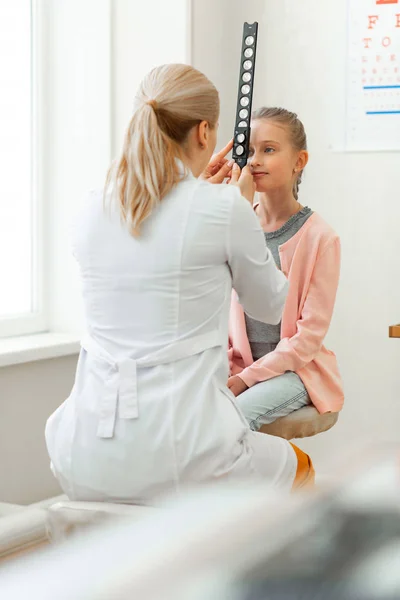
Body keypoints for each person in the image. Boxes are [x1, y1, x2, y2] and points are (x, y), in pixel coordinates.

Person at [45, 66, 313, 505]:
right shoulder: (224, 209)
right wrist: (237, 211)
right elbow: (270, 306)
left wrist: (208, 199)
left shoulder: (92, 205)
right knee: (301, 470)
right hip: (183, 452)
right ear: (205, 132)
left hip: (82, 449)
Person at [228, 107, 344, 433]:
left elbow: (307, 340)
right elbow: (215, 312)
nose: (254, 160)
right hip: (238, 365)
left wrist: (244, 380)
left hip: (297, 372)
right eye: (249, 150)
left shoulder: (322, 238)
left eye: (268, 149)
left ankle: (292, 472)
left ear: (299, 161)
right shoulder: (234, 223)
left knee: (233, 420)